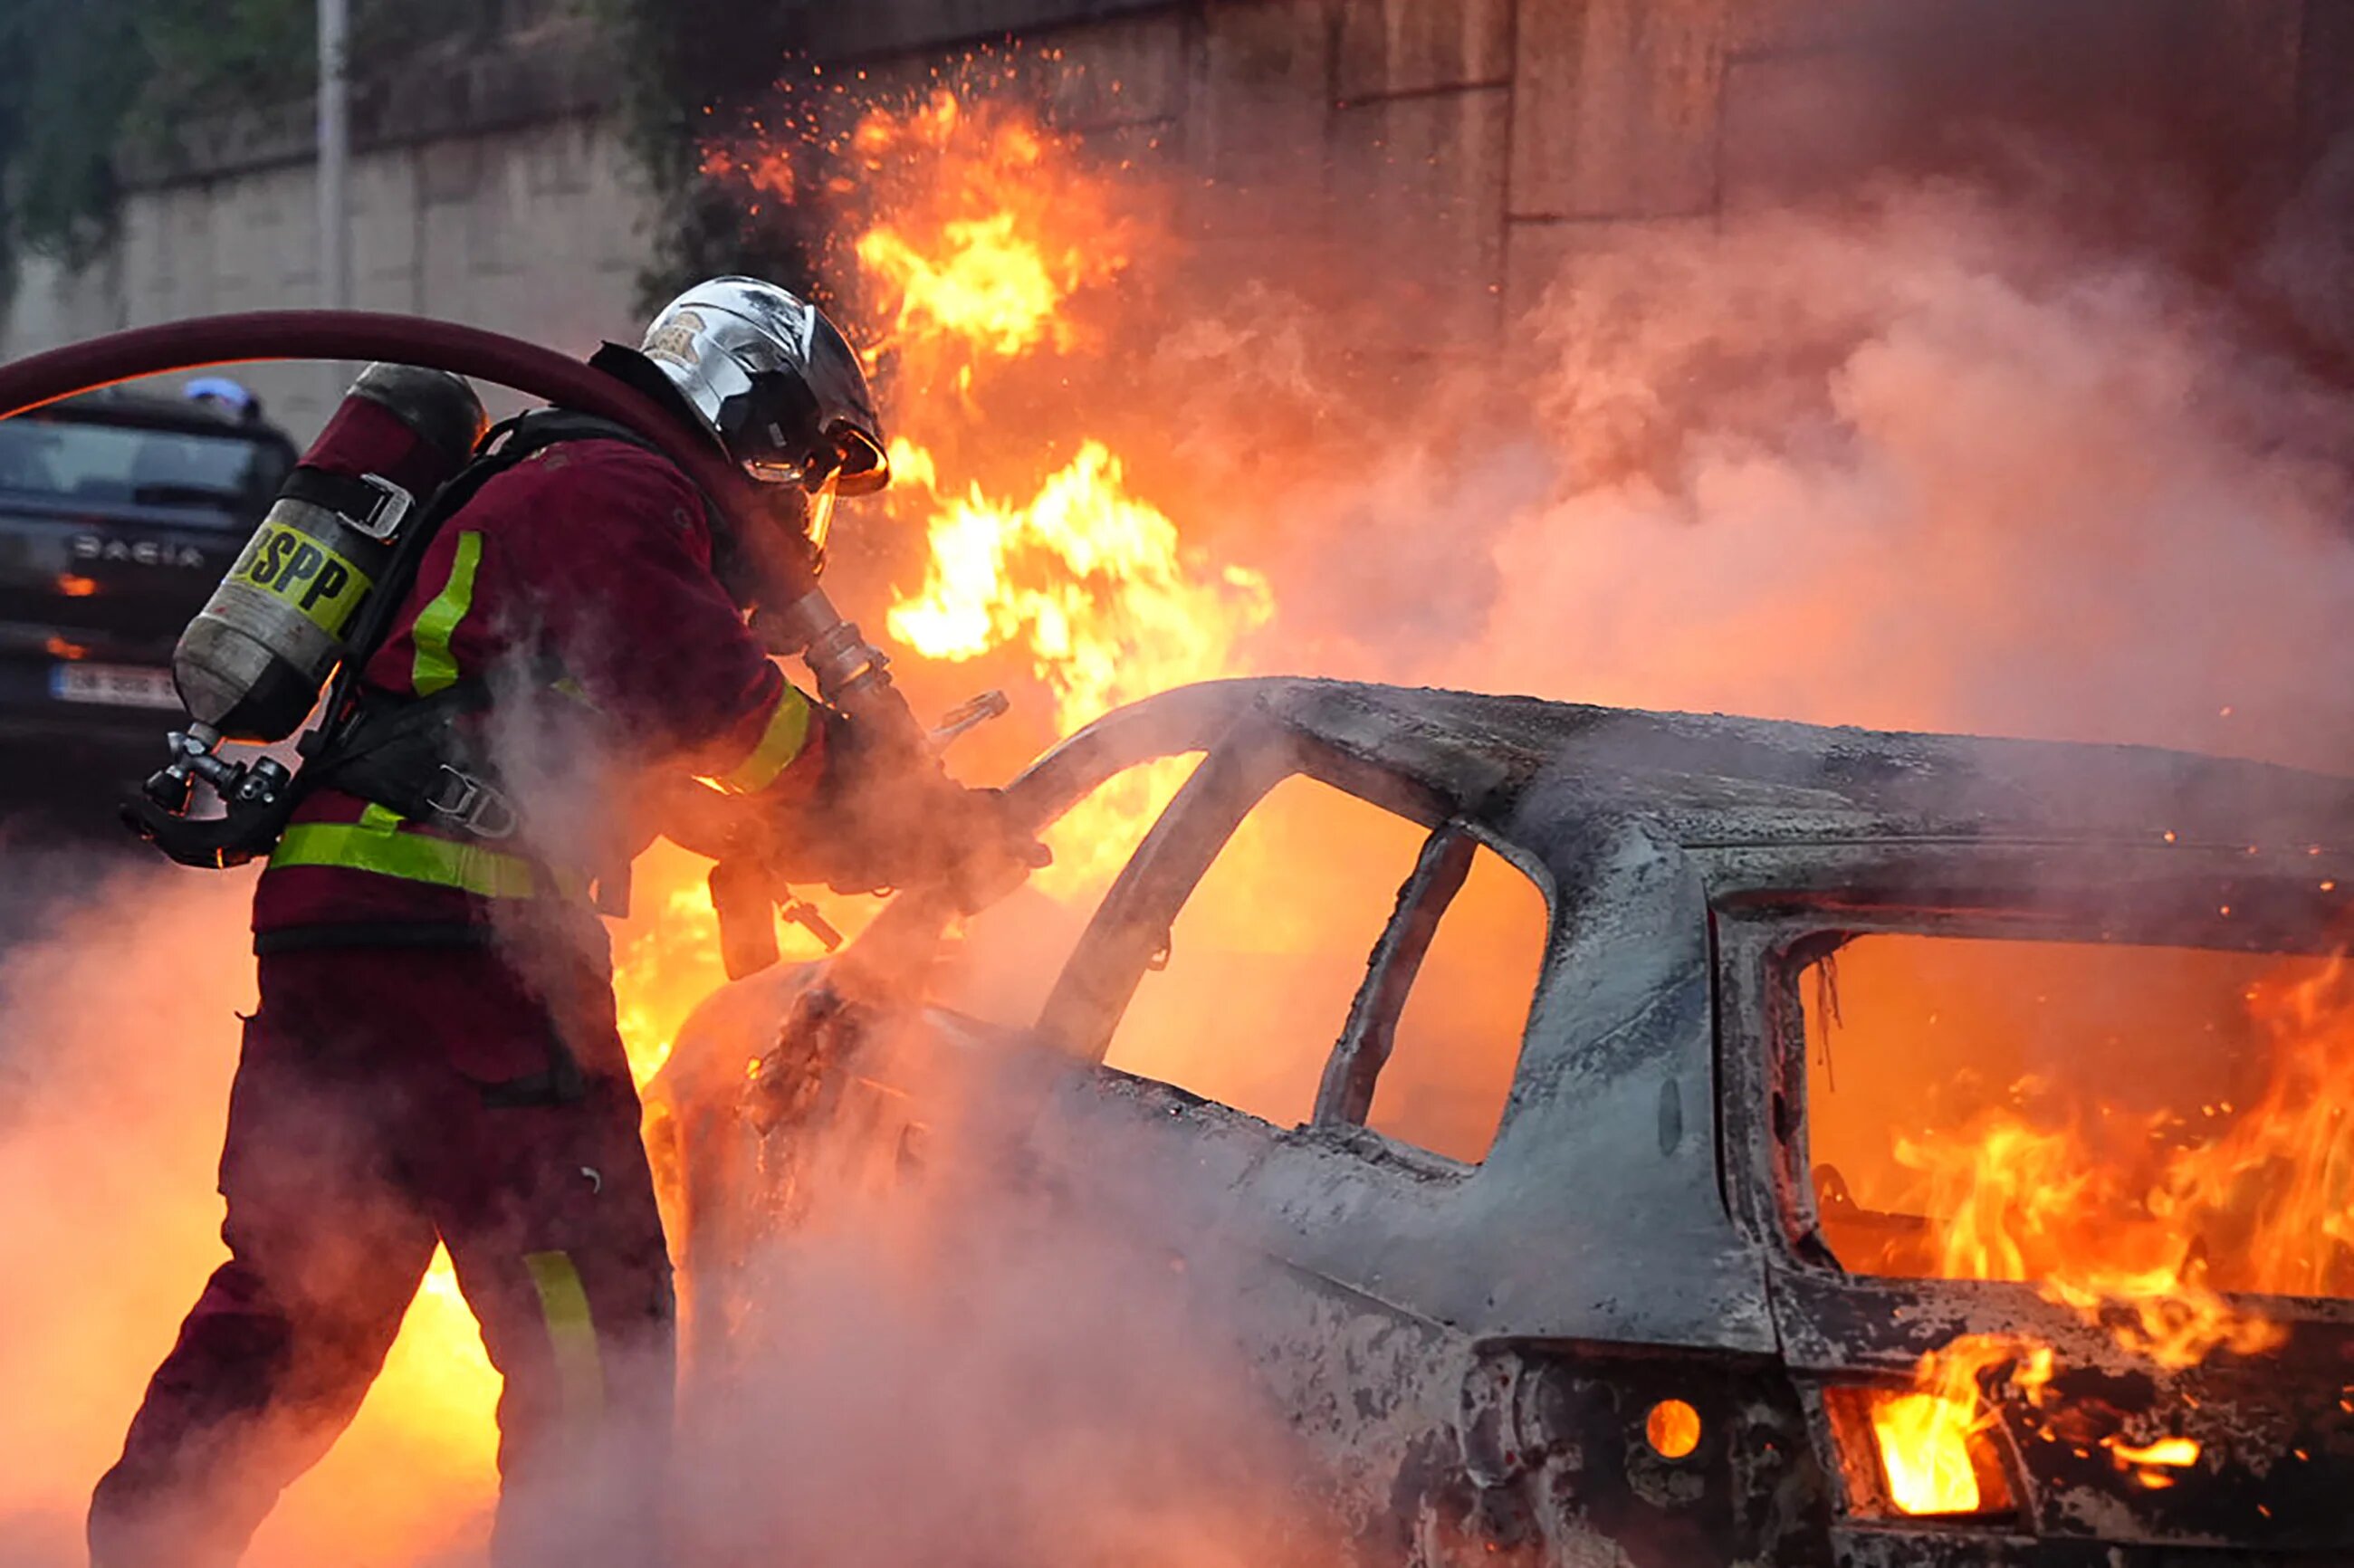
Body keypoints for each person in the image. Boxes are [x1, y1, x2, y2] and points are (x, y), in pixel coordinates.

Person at [90, 278, 988, 1565]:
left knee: (308, 1301)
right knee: (591, 1311)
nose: (803, 505)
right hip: (473, 939)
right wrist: (902, 806)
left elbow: (658, 771)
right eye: (802, 458)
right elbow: (725, 710)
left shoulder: (554, 481)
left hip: (349, 917)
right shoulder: (621, 487)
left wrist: (847, 845)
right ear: (741, 403)